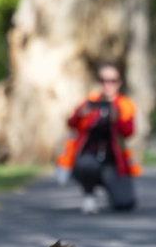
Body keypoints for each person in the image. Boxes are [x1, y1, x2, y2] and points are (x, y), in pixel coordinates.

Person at [56, 62, 139, 214]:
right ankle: (89, 194)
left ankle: (110, 188)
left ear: (119, 82)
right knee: (85, 164)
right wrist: (81, 114)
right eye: (103, 80)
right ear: (99, 82)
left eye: (112, 81)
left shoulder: (124, 104)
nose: (108, 85)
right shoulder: (90, 101)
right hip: (89, 158)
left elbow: (129, 132)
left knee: (125, 203)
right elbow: (71, 123)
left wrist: (117, 118)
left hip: (114, 163)